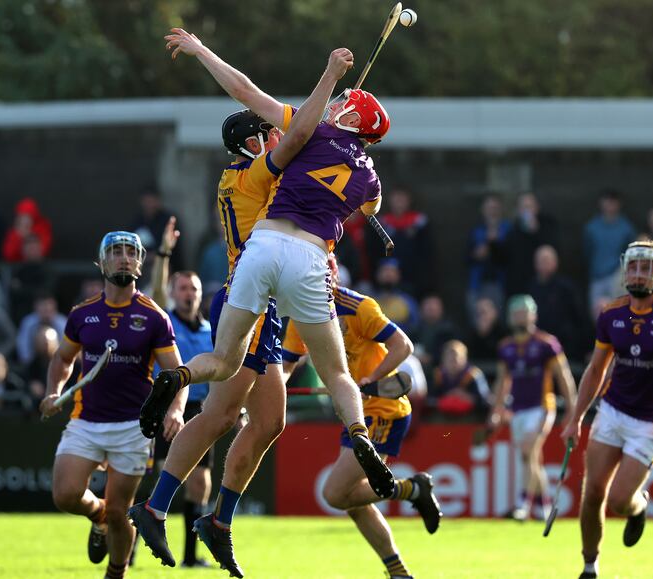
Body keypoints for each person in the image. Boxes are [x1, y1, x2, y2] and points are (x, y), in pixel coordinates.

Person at [129, 34, 365, 578]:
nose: (279, 136)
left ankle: (214, 520)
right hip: (251, 299)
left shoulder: (245, 176)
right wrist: (328, 98)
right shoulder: (259, 171)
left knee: (268, 421)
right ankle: (158, 505)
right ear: (253, 142)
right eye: (270, 134)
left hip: (265, 299)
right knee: (217, 416)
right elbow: (275, 109)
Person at [282, 255, 441, 579]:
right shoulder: (301, 314)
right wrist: (272, 392)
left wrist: (371, 380)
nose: (319, 280)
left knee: (334, 494)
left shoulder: (360, 307)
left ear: (336, 273)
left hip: (383, 411)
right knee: (353, 503)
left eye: (324, 272)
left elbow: (403, 346)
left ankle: (412, 489)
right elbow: (286, 366)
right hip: (353, 414)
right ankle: (398, 572)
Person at [39, 231, 184, 579]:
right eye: (116, 252)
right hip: (85, 419)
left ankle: (116, 573)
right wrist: (53, 391)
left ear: (140, 262)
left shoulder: (154, 317)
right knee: (66, 495)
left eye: (130, 252)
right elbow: (62, 359)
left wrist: (176, 410)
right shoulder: (83, 314)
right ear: (102, 262)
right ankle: (97, 515)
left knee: (122, 513)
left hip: (133, 427)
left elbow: (178, 373)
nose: (123, 258)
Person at [561, 240, 653, 579]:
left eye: (647, 268)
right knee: (592, 492)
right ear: (625, 271)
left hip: (650, 422)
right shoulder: (611, 313)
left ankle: (639, 506)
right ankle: (589, 567)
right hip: (611, 411)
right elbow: (595, 370)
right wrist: (575, 418)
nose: (639, 274)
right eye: (633, 267)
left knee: (620, 500)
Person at [488, 294, 577, 522]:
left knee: (528, 451)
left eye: (524, 312)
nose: (520, 316)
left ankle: (522, 505)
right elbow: (502, 382)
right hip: (517, 410)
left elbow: (563, 376)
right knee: (531, 458)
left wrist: (572, 409)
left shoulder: (547, 344)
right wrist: (496, 411)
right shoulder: (505, 348)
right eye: (516, 313)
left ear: (533, 315)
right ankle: (546, 507)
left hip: (542, 407)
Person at [156, 270, 216, 569]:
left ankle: (190, 558)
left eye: (193, 288)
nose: (188, 293)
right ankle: (128, 550)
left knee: (200, 483)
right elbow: (155, 288)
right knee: (151, 480)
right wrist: (164, 256)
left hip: (200, 411)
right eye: (182, 288)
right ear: (172, 293)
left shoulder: (210, 332)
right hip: (164, 406)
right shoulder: (163, 324)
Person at [583, 189, 636, 317]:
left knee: (619, 317)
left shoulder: (626, 227)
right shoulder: (592, 227)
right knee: (598, 317)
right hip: (597, 278)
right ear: (601, 203)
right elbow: (587, 252)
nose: (610, 205)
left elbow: (631, 253)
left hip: (618, 279)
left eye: (613, 202)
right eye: (607, 201)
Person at [429, 340, 490, 416]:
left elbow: (485, 401)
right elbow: (430, 400)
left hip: (471, 417)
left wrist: (468, 397)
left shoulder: (473, 375)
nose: (453, 363)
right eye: (449, 359)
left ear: (464, 359)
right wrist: (448, 396)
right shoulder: (438, 375)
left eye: (456, 359)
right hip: (443, 417)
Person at [2, 197, 53, 262]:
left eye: (28, 215)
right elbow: (8, 254)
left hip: (39, 265)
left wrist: (28, 234)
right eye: (22, 216)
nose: (25, 219)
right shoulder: (15, 231)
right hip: (19, 266)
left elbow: (42, 251)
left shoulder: (43, 227)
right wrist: (19, 236)